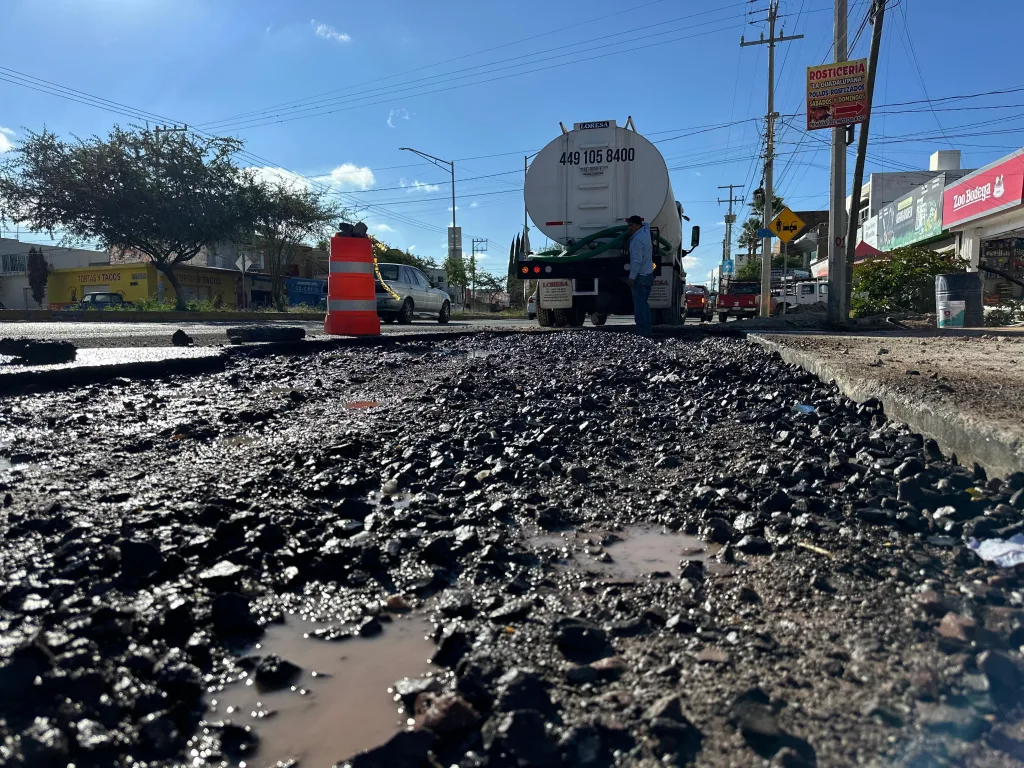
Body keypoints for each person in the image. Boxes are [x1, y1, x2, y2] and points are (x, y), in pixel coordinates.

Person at [626, 214, 654, 336]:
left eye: (632, 225)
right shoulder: (646, 232)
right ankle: (647, 329)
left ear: (638, 225)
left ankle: (642, 331)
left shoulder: (637, 240)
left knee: (639, 304)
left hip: (640, 276)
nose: (630, 228)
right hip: (649, 274)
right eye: (628, 225)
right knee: (644, 303)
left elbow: (636, 261)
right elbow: (647, 224)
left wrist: (631, 277)